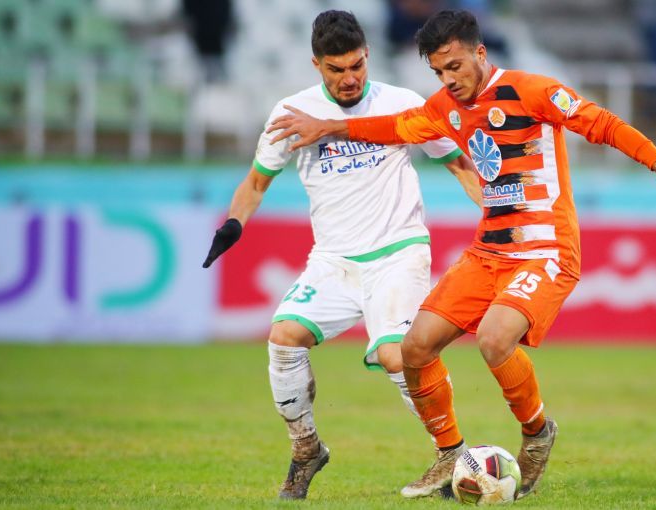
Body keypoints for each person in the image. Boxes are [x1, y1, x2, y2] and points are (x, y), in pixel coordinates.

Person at [267, 9, 656, 500]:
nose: (448, 79)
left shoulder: (531, 90)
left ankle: (537, 433)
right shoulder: (444, 108)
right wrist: (328, 126)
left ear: (480, 53)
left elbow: (602, 123)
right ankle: (448, 453)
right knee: (415, 348)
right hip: (488, 251)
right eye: (439, 71)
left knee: (495, 338)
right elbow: (393, 127)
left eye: (455, 66)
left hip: (545, 247)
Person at [201, 10, 480, 500]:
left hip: (398, 252)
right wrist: (234, 223)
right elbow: (256, 182)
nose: (349, 78)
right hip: (332, 260)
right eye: (336, 69)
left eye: (356, 66)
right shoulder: (292, 112)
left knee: (397, 356)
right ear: (317, 65)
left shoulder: (401, 103)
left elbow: (458, 163)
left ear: (367, 55)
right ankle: (306, 449)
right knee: (284, 337)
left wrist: (497, 212)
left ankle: (452, 453)